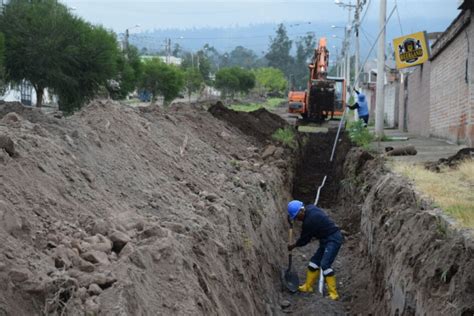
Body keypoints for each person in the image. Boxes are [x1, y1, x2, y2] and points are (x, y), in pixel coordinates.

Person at [287, 200, 343, 300]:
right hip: (325, 239)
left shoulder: (309, 222)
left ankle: (334, 294)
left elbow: (304, 240)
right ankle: (308, 287)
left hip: (333, 239)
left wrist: (293, 245)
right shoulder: (310, 208)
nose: (297, 220)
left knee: (325, 264)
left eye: (296, 217)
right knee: (313, 263)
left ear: (301, 211)